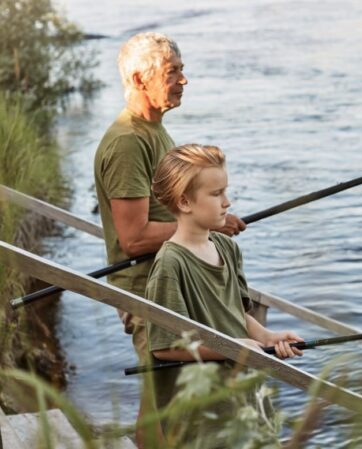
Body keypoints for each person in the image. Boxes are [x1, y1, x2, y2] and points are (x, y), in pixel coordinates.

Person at [93, 32, 246, 447]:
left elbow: (170, 212)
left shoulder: (153, 131)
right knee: (165, 404)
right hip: (148, 290)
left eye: (182, 70)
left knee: (157, 403)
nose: (183, 80)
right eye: (172, 71)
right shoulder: (127, 143)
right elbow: (134, 237)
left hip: (171, 282)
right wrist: (212, 225)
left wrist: (212, 220)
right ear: (141, 80)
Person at [146, 144, 303, 441]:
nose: (227, 202)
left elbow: (235, 314)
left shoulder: (228, 248)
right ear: (184, 202)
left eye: (225, 192)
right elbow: (165, 346)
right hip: (205, 418)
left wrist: (267, 338)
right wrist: (232, 347)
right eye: (216, 194)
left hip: (246, 400)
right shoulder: (170, 263)